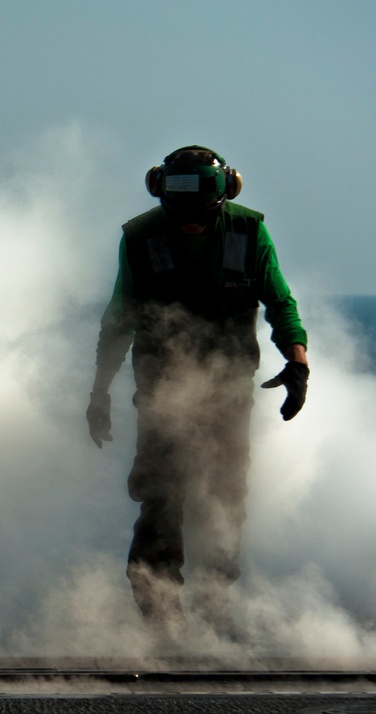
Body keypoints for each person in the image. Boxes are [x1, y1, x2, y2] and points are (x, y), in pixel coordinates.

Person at [86, 146, 308, 639]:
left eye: (200, 214)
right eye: (179, 213)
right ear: (161, 194)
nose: (189, 224)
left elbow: (280, 302)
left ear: (225, 195)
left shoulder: (248, 232)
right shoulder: (140, 238)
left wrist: (298, 363)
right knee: (161, 499)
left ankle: (212, 618)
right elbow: (119, 320)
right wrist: (100, 392)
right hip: (163, 393)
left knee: (225, 501)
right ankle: (162, 621)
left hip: (228, 390)